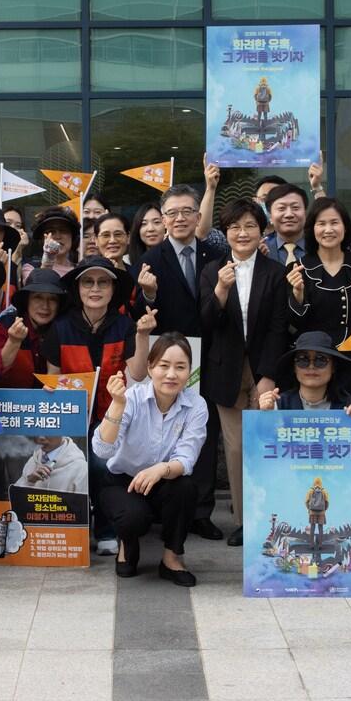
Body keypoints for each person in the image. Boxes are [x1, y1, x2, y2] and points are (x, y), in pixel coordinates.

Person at [134, 183, 228, 539]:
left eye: (186, 211)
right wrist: (148, 294)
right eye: (171, 213)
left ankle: (201, 511)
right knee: (161, 430)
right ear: (162, 219)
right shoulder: (151, 259)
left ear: (198, 215)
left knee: (203, 431)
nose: (179, 219)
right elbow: (137, 313)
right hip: (168, 359)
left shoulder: (215, 255)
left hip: (209, 355)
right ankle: (161, 506)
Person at [44, 257, 154, 555]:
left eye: (103, 282)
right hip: (72, 417)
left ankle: (106, 529)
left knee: (102, 464)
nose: (95, 289)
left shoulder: (125, 326)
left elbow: (139, 373)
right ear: (77, 288)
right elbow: (52, 379)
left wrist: (143, 335)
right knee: (68, 465)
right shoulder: (60, 328)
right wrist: (51, 390)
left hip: (112, 416)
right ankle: (71, 529)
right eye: (88, 282)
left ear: (113, 289)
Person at [199, 199, 289, 547]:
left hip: (263, 367)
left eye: (250, 225)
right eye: (235, 227)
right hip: (225, 371)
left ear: (262, 230)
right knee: (235, 449)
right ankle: (244, 521)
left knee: (265, 445)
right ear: (226, 232)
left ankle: (272, 515)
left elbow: (279, 328)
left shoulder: (275, 272)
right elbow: (207, 323)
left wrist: (268, 374)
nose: (242, 233)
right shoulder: (212, 271)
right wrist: (221, 290)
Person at [92, 338, 208, 587]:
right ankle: (127, 543)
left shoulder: (196, 405)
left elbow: (186, 458)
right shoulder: (132, 398)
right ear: (150, 368)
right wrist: (117, 404)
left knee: (186, 488)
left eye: (180, 367)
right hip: (123, 482)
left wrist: (160, 469)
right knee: (133, 518)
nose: (171, 374)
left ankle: (171, 558)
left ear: (190, 371)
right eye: (163, 365)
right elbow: (102, 450)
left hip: (165, 481)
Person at [287, 198, 351, 399]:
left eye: (334, 222)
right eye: (321, 223)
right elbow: (293, 323)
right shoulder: (297, 268)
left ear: (345, 227)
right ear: (312, 229)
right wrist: (297, 294)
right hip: (312, 365)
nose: (328, 229)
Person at [255, 330, 351, 414]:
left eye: (321, 360)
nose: (311, 366)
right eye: (303, 360)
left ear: (333, 367)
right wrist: (265, 416)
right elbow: (262, 438)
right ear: (294, 367)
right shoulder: (277, 405)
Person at [0, 269, 63, 388]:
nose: (45, 306)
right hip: (9, 398)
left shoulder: (64, 328)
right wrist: (13, 342)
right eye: (38, 297)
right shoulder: (5, 324)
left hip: (50, 398)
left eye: (52, 299)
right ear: (27, 300)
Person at [15, 436, 88, 494]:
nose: (41, 437)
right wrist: (29, 482)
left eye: (48, 431)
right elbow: (15, 498)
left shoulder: (80, 468)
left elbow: (81, 506)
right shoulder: (34, 460)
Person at [23, 207, 79, 281]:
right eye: (51, 231)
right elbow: (35, 287)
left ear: (72, 237)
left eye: (63, 230)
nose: (58, 236)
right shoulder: (31, 268)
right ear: (42, 238)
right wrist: (47, 262)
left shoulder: (81, 270)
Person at [263, 183, 309, 266]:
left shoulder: (320, 246)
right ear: (270, 216)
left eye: (295, 208)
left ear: (305, 213)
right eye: (281, 208)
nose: (289, 214)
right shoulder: (261, 249)